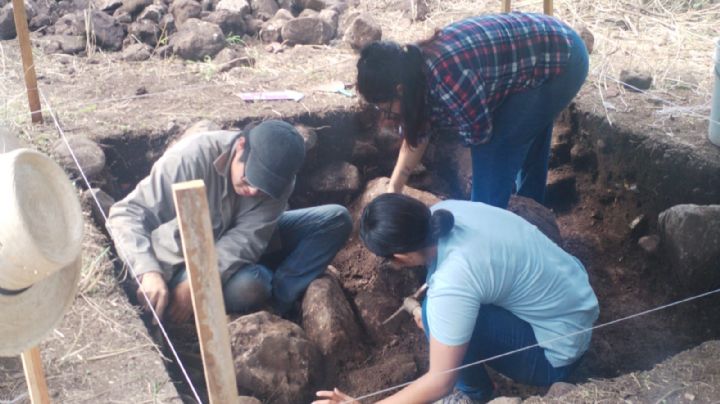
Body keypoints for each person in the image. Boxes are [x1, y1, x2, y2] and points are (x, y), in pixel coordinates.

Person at [315, 194, 599, 403]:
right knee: (440, 316)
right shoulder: (445, 211)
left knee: (432, 315)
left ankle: (475, 396)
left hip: (556, 356)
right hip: (577, 303)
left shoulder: (451, 285)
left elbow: (440, 381)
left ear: (400, 257)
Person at [107, 120, 352, 323]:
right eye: (248, 179)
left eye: (264, 188)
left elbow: (246, 240)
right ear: (240, 146)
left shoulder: (282, 180)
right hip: (185, 260)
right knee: (250, 285)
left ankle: (279, 303)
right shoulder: (191, 158)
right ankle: (259, 288)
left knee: (335, 219)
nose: (254, 192)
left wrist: (199, 284)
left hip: (247, 246)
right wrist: (148, 272)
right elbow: (126, 213)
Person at [357, 12, 589, 208]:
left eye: (383, 106)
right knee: (523, 129)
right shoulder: (412, 70)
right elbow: (418, 133)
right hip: (536, 55)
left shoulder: (446, 78)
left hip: (562, 59)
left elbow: (483, 141)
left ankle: (490, 224)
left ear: (399, 89)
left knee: (499, 144)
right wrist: (394, 188)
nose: (385, 113)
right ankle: (530, 207)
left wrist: (478, 206)